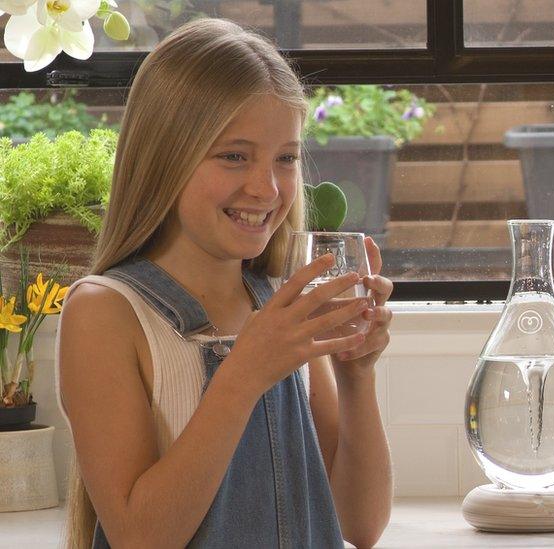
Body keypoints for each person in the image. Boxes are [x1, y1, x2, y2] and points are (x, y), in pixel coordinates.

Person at [56, 18, 393, 549]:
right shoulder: (105, 313)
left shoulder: (283, 311)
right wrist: (242, 375)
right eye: (234, 155)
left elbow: (362, 523)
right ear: (165, 157)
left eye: (285, 158)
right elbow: (141, 537)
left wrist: (356, 375)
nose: (266, 187)